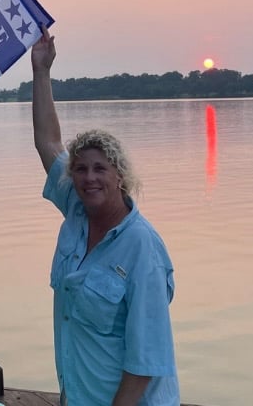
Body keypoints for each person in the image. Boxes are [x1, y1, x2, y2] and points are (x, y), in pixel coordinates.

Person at [31, 27, 179, 406]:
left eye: (100, 169)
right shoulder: (78, 211)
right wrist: (42, 72)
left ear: (120, 176)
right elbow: (48, 143)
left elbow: (146, 360)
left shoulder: (141, 247)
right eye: (81, 169)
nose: (89, 178)